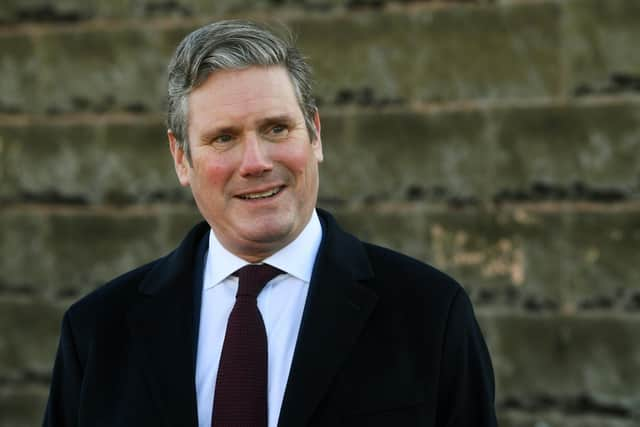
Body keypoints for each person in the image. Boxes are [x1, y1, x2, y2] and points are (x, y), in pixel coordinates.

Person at [43, 20, 497, 427]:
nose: (256, 162)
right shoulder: (97, 332)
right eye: (224, 138)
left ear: (315, 134)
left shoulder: (431, 314)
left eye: (277, 129)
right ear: (182, 158)